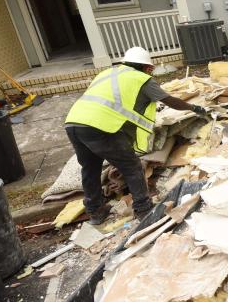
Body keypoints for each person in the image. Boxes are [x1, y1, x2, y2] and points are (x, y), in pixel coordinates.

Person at [65, 46, 209, 224]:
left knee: (90, 169)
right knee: (132, 166)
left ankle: (96, 213)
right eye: (150, 69)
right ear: (147, 67)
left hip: (73, 122)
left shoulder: (107, 73)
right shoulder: (141, 79)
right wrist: (194, 108)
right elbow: (169, 101)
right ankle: (144, 210)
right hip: (101, 127)